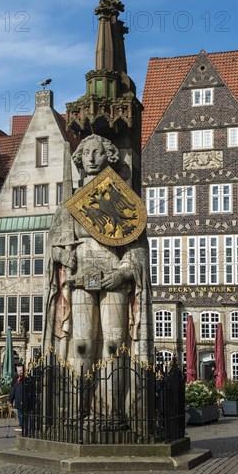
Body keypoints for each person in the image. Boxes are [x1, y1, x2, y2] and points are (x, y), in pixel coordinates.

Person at [45, 134, 153, 372]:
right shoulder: (70, 204)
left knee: (115, 346)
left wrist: (124, 273)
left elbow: (137, 248)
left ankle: (110, 408)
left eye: (98, 152)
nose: (92, 158)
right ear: (79, 159)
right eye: (86, 153)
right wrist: (62, 256)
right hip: (81, 279)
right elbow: (53, 246)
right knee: (82, 345)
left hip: (113, 278)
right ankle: (76, 405)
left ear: (110, 157)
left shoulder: (121, 198)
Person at [8, 366, 23, 432]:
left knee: (23, 412)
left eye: (21, 370)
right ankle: (21, 424)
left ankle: (22, 424)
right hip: (18, 399)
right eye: (18, 370)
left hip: (24, 399)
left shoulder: (25, 378)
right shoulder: (16, 381)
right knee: (19, 412)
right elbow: (13, 389)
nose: (20, 372)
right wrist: (10, 400)